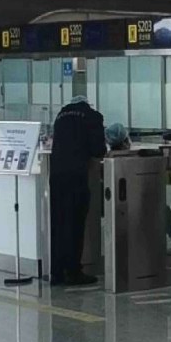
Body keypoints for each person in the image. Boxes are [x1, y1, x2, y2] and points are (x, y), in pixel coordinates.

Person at [50, 95, 105, 286]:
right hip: (76, 176)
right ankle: (73, 271)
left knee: (58, 223)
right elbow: (98, 150)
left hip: (55, 176)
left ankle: (57, 272)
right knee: (75, 224)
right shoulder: (92, 116)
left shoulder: (60, 116)